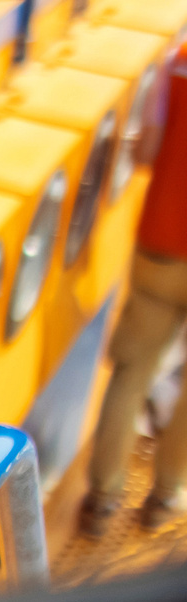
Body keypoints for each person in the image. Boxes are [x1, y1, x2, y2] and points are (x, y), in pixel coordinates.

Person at [83, 45, 187, 536]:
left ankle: (102, 502)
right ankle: (165, 497)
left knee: (131, 372)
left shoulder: (178, 60)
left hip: (161, 243)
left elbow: (145, 152)